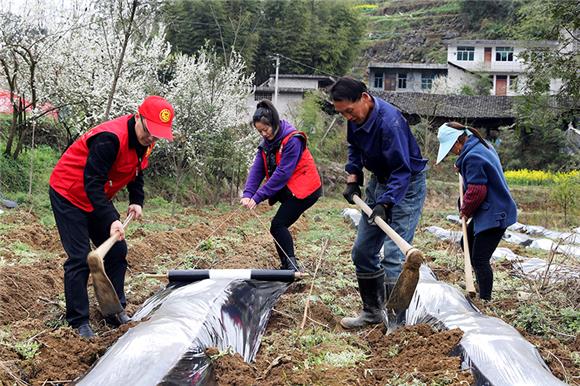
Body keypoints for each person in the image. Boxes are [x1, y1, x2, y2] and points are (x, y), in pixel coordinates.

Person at [49, 96, 174, 338]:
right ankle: (78, 321)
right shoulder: (110, 138)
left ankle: (114, 309)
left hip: (94, 197)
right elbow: (92, 182)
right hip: (70, 193)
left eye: (158, 135)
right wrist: (111, 219)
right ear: (138, 117)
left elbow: (137, 170)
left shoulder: (147, 141)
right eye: (150, 131)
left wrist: (136, 199)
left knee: (117, 251)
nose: (152, 138)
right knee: (79, 257)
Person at [329, 77, 428, 329]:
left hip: (405, 186)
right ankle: (372, 312)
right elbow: (354, 147)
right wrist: (354, 178)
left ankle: (396, 324)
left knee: (395, 256)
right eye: (342, 113)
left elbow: (402, 171)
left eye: (349, 111)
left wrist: (386, 202)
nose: (347, 117)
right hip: (379, 182)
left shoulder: (390, 123)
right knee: (362, 251)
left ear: (364, 98)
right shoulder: (355, 119)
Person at [436, 122, 517, 300]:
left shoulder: (472, 157)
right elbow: (477, 171)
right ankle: (480, 284)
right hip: (492, 209)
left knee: (480, 258)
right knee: (467, 242)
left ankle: (485, 299)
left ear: (459, 141)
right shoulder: (481, 145)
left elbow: (477, 190)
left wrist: (465, 210)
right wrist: (462, 167)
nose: (452, 153)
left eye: (452, 149)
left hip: (495, 213)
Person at [240, 100, 321, 271]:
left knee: (278, 225)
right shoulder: (266, 144)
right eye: (259, 131)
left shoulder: (293, 140)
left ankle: (291, 267)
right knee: (278, 226)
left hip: (306, 189)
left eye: (266, 129)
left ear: (274, 123)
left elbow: (282, 174)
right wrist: (248, 193)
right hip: (291, 190)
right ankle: (287, 265)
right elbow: (257, 169)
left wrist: (258, 197)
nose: (263, 134)